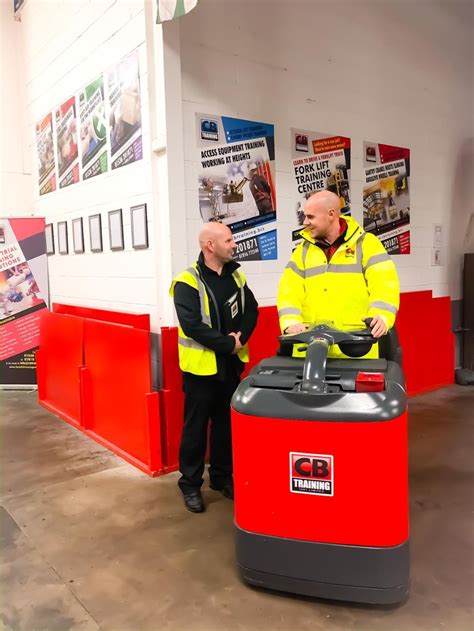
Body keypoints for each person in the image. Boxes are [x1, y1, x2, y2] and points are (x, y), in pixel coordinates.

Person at [170, 222, 259, 513]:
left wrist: (241, 339)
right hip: (201, 371)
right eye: (229, 240)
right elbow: (192, 325)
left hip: (230, 367)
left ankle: (221, 478)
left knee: (226, 426)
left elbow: (251, 311)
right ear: (210, 245)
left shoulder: (236, 275)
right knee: (195, 429)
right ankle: (190, 484)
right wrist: (228, 344)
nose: (234, 244)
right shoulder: (187, 281)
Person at [278, 190, 400, 358]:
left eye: (311, 217)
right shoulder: (303, 251)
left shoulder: (367, 244)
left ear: (331, 214)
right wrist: (290, 322)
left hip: (356, 347)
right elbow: (288, 291)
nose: (305, 222)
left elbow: (385, 284)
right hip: (311, 350)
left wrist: (382, 316)